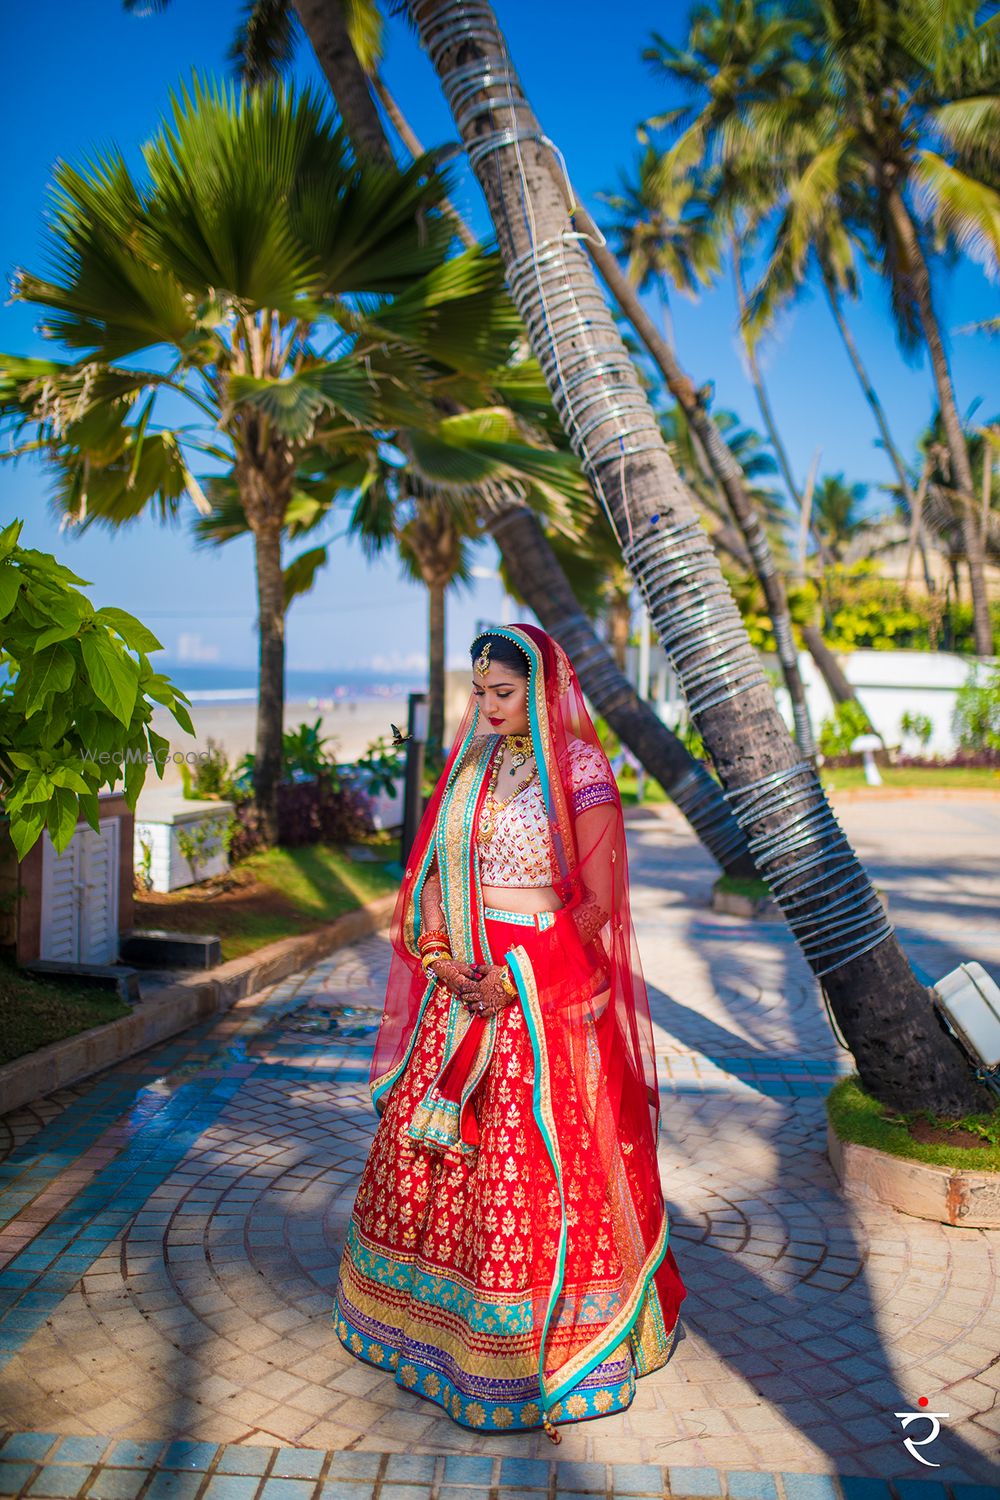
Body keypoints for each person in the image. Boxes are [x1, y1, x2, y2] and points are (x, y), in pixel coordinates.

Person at [332, 623, 686, 1440]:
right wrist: (439, 951)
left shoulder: (582, 771)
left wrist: (520, 976)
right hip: (463, 983)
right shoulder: (472, 769)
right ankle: (414, 1328)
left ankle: (536, 1348)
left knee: (535, 1157)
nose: (488, 707)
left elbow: (598, 903)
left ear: (542, 689)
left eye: (504, 693)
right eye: (480, 692)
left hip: (541, 989)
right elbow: (429, 872)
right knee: (438, 1148)